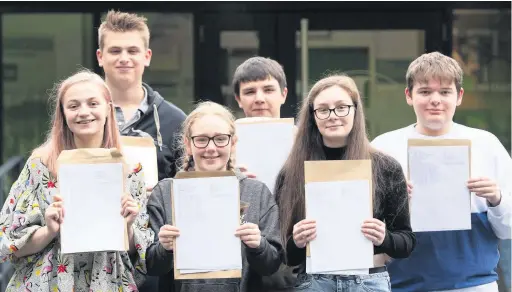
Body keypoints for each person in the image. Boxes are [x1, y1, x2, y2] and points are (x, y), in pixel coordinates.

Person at [0, 70, 154, 291]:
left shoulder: (131, 170)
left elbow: (142, 253)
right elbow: (9, 243)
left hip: (106, 283)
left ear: (108, 108)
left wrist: (128, 226)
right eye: (73, 106)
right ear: (62, 114)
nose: (84, 112)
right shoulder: (40, 165)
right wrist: (49, 231)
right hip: (47, 283)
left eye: (93, 103)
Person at [371, 51, 512, 292]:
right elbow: (365, 226)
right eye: (425, 91)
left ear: (459, 97)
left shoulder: (486, 144)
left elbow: (508, 229)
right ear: (409, 95)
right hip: (400, 285)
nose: (435, 99)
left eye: (445, 92)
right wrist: (392, 204)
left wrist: (496, 198)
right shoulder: (383, 148)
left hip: (474, 284)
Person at [275, 74, 416, 291]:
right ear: (313, 116)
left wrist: (384, 238)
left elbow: (406, 243)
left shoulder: (385, 167)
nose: (333, 115)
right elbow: (284, 254)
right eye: (323, 109)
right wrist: (297, 241)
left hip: (368, 281)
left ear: (355, 111)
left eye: (342, 107)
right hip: (315, 282)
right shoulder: (292, 172)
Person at [144, 101, 283, 292]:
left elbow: (272, 265)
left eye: (220, 139)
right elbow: (150, 266)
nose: (211, 148)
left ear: (233, 143)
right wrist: (164, 247)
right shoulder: (164, 192)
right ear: (188, 144)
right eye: (201, 140)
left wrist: (258, 245)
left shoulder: (256, 192)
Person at [97, 10, 187, 182]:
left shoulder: (176, 121)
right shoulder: (82, 117)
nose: (124, 58)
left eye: (132, 51)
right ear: (100, 57)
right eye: (115, 51)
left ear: (147, 57)